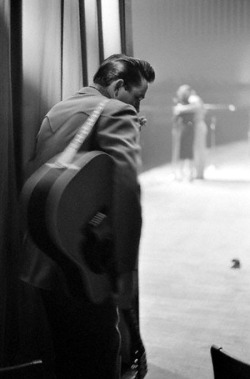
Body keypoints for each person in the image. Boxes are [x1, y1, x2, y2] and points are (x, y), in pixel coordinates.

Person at [20, 54, 155, 379]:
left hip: (44, 259)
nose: (136, 107)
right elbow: (126, 190)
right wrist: (124, 271)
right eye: (137, 97)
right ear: (119, 85)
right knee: (97, 360)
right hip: (85, 264)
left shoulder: (58, 110)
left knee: (67, 358)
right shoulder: (117, 111)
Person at [172, 85, 207, 180]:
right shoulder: (192, 98)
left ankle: (199, 173)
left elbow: (196, 107)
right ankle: (197, 173)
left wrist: (179, 108)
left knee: (198, 150)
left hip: (198, 125)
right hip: (195, 125)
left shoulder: (193, 98)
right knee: (196, 149)